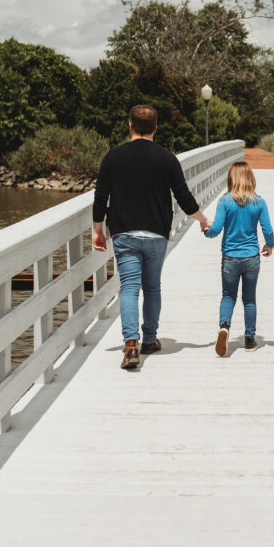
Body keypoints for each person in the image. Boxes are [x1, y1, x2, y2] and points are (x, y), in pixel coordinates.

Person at [92, 105, 210, 370]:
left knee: (130, 287)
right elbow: (185, 198)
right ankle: (150, 339)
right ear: (155, 128)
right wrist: (203, 220)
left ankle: (131, 344)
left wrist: (97, 231)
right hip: (156, 233)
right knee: (153, 286)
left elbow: (100, 199)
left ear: (130, 126)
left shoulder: (113, 157)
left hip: (125, 232)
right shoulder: (167, 158)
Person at [203, 161, 274, 356]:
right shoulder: (259, 202)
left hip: (230, 258)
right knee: (249, 299)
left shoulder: (225, 201)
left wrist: (206, 231)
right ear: (250, 178)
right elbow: (267, 229)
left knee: (228, 296)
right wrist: (269, 245)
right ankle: (250, 340)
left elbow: (216, 229)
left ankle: (224, 326)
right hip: (251, 257)